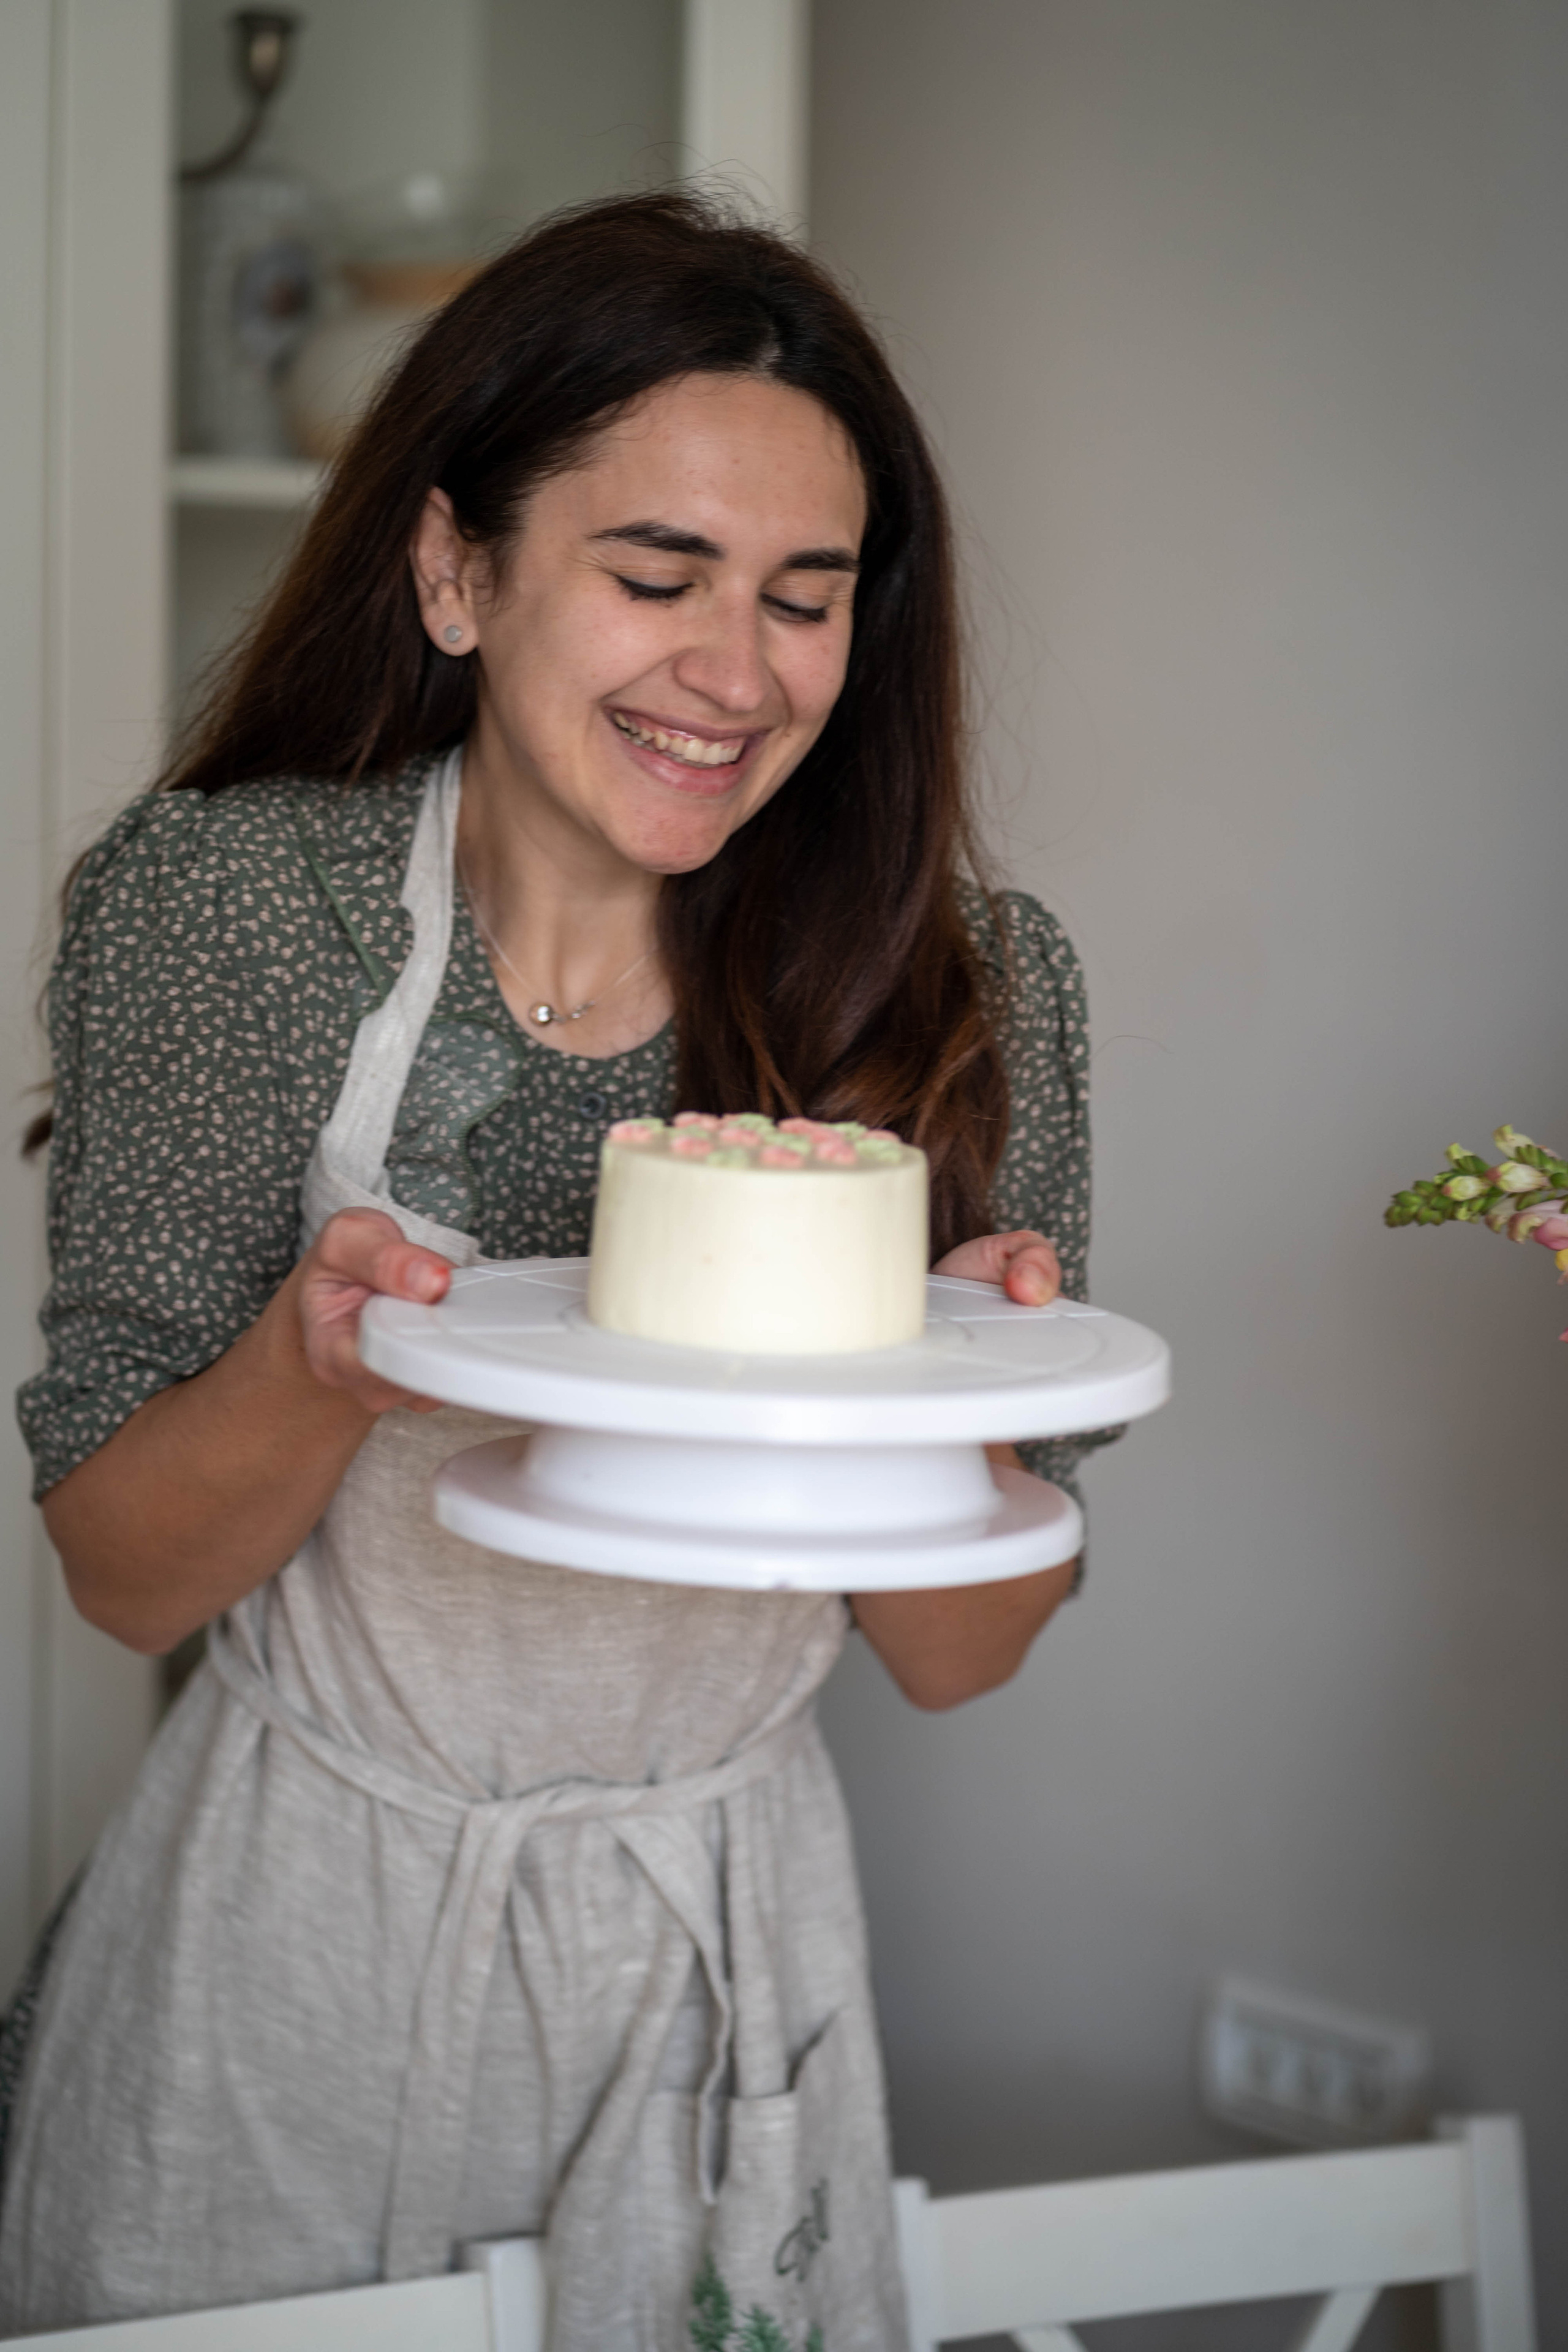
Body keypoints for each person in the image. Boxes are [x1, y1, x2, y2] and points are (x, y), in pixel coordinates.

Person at [0, 192, 1116, 2350]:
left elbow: (963, 1662)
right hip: (290, 1938)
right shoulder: (231, 917)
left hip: (721, 1933)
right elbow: (123, 1573)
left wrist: (957, 1392)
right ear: (455, 568)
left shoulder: (962, 989)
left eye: (807, 600)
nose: (740, 670)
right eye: (656, 574)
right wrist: (317, 1365)